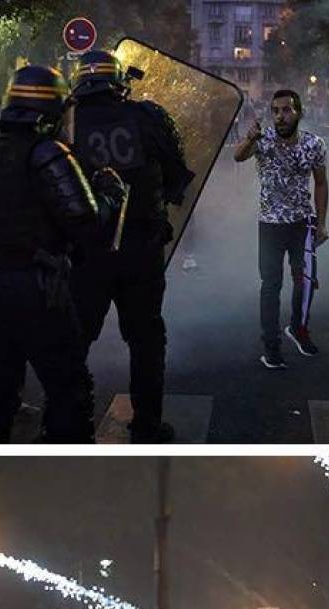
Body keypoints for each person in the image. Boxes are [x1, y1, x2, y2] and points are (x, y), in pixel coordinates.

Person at [0, 64, 126, 443]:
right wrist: (111, 192)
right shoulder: (47, 153)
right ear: (52, 111)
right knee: (68, 387)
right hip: (36, 287)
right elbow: (86, 221)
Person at [69, 50, 195, 443]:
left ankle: (67, 422)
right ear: (119, 83)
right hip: (141, 249)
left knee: (73, 339)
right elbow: (178, 178)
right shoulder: (147, 116)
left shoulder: (64, 123)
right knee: (145, 340)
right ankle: (146, 426)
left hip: (86, 252)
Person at [233, 88, 329, 368]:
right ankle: (271, 346)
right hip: (271, 225)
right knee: (271, 286)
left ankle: (298, 329)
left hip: (302, 223)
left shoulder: (314, 144)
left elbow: (321, 183)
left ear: (298, 112)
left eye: (286, 110)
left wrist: (321, 223)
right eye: (276, 111)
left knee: (305, 281)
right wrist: (250, 138)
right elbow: (238, 157)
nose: (280, 116)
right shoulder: (263, 140)